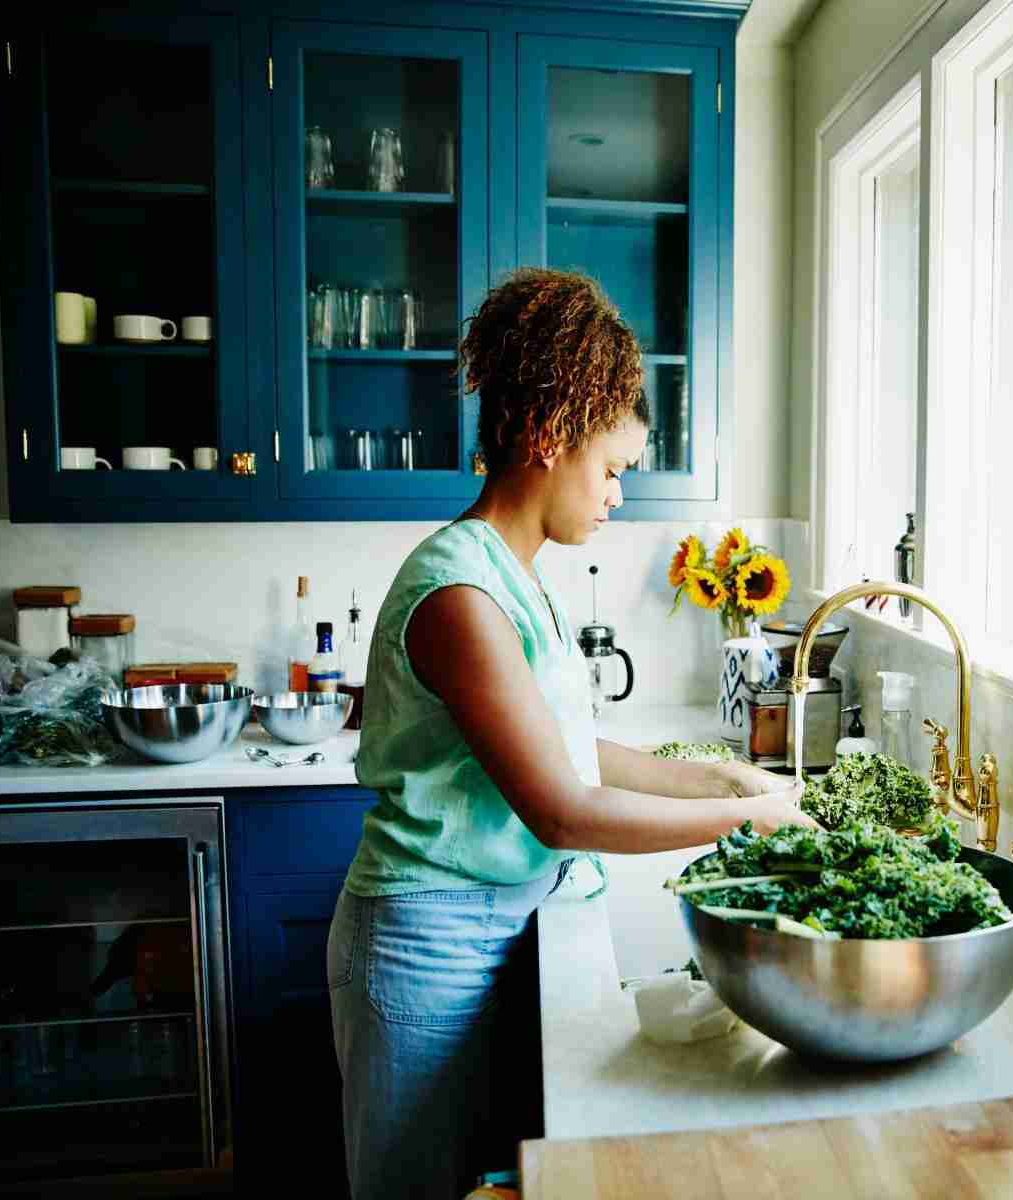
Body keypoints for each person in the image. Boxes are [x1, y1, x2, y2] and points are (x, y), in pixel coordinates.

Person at [327, 268, 811, 1198]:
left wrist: (727, 782)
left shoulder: (516, 572)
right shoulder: (460, 594)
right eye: (613, 469)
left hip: (497, 929)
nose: (619, 494)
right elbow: (561, 808)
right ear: (548, 438)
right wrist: (747, 828)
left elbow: (575, 754)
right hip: (426, 951)